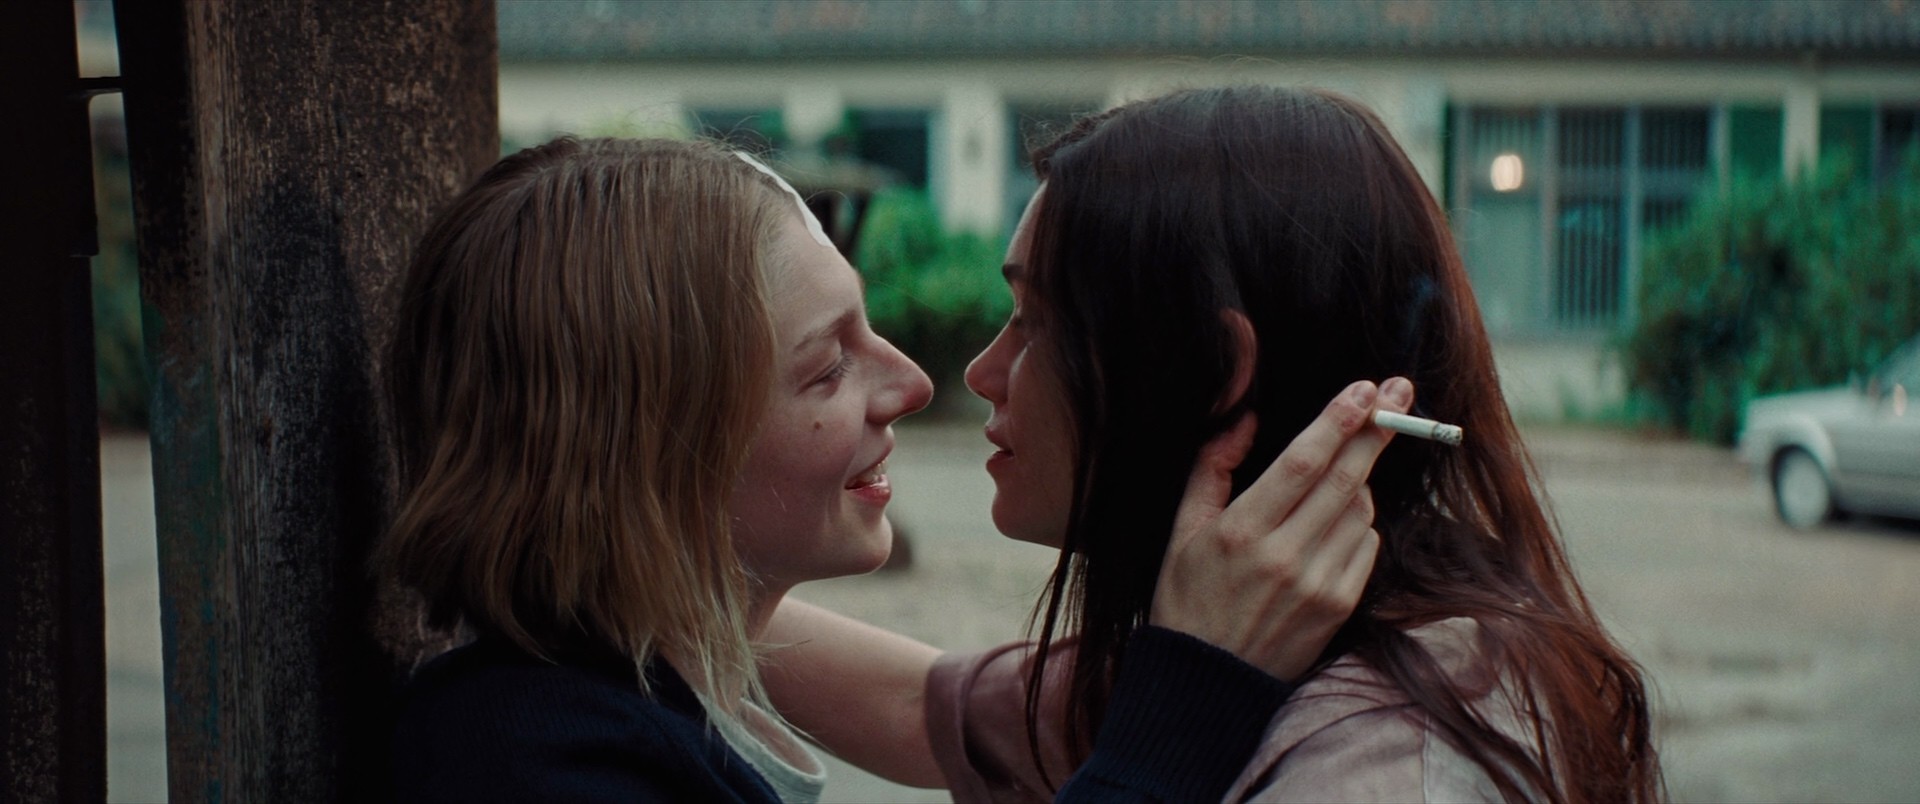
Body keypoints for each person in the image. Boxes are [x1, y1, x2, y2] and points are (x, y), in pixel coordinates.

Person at [376, 136, 1404, 803]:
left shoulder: (599, 699)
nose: (916, 384)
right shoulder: (534, 768)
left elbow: (929, 704)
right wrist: (1187, 702)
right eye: (827, 366)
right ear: (644, 444)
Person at [764, 85, 1663, 803]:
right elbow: (917, 708)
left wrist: (1180, 713)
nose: (977, 373)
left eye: (1035, 322)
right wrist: (690, 572)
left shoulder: (1381, 763)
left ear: (1211, 368)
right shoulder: (1267, 637)